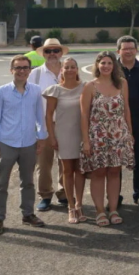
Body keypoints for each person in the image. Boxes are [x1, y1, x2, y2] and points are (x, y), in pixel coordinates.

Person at [0, 55, 48, 235]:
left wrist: (41, 138)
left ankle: (28, 214)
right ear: (11, 70)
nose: (22, 71)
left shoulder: (36, 90)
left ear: (30, 70)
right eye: (18, 68)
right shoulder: (2, 91)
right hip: (7, 142)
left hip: (29, 142)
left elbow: (39, 116)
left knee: (28, 181)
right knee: (1, 182)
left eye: (25, 67)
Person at [79, 51, 135, 226]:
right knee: (99, 172)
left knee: (114, 171)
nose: (106, 66)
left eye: (109, 63)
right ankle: (100, 211)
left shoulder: (122, 84)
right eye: (103, 63)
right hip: (98, 136)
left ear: (114, 65)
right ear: (97, 65)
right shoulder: (90, 86)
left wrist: (130, 134)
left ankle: (113, 210)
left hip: (118, 134)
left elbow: (126, 109)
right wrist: (86, 141)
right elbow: (84, 115)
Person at [43, 56, 87, 224]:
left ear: (77, 69)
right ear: (62, 70)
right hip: (63, 135)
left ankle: (80, 204)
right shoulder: (55, 90)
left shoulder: (85, 87)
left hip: (82, 135)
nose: (69, 70)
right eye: (66, 67)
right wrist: (51, 136)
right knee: (67, 171)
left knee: (81, 171)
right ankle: (71, 206)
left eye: (72, 67)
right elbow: (48, 115)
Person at [29, 37, 67, 211]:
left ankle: (64, 192)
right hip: (43, 124)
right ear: (43, 53)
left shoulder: (68, 71)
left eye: (55, 50)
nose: (52, 54)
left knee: (65, 160)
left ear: (60, 53)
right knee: (43, 163)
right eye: (48, 51)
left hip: (66, 123)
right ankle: (45, 195)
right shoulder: (35, 74)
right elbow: (29, 100)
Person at [116, 35, 139, 207]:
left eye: (131, 48)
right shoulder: (110, 68)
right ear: (118, 51)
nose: (128, 51)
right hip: (114, 122)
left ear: (136, 50)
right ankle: (115, 196)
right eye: (125, 48)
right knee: (115, 161)